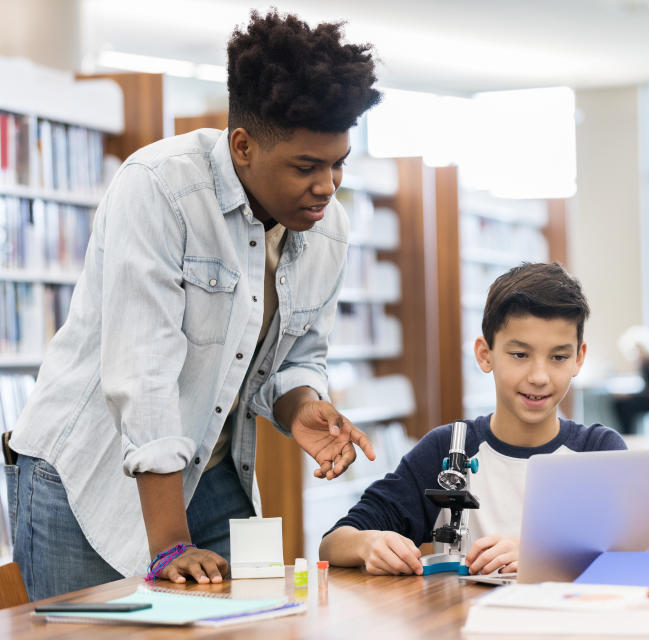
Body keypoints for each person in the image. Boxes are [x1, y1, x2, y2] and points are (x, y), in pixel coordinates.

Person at [3, 10, 381, 600]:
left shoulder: (329, 231)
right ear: (243, 146)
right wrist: (171, 545)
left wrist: (300, 404)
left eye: (338, 165)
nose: (327, 187)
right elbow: (142, 372)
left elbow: (301, 354)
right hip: (88, 473)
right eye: (306, 166)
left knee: (249, 619)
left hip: (210, 468)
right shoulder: (159, 188)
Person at [318, 262, 626, 576]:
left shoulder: (599, 451)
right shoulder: (448, 449)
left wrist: (535, 550)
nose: (539, 376)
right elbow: (334, 542)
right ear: (484, 354)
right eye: (520, 355)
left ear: (579, 358)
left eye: (558, 357)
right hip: (462, 622)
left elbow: (633, 550)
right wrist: (368, 544)